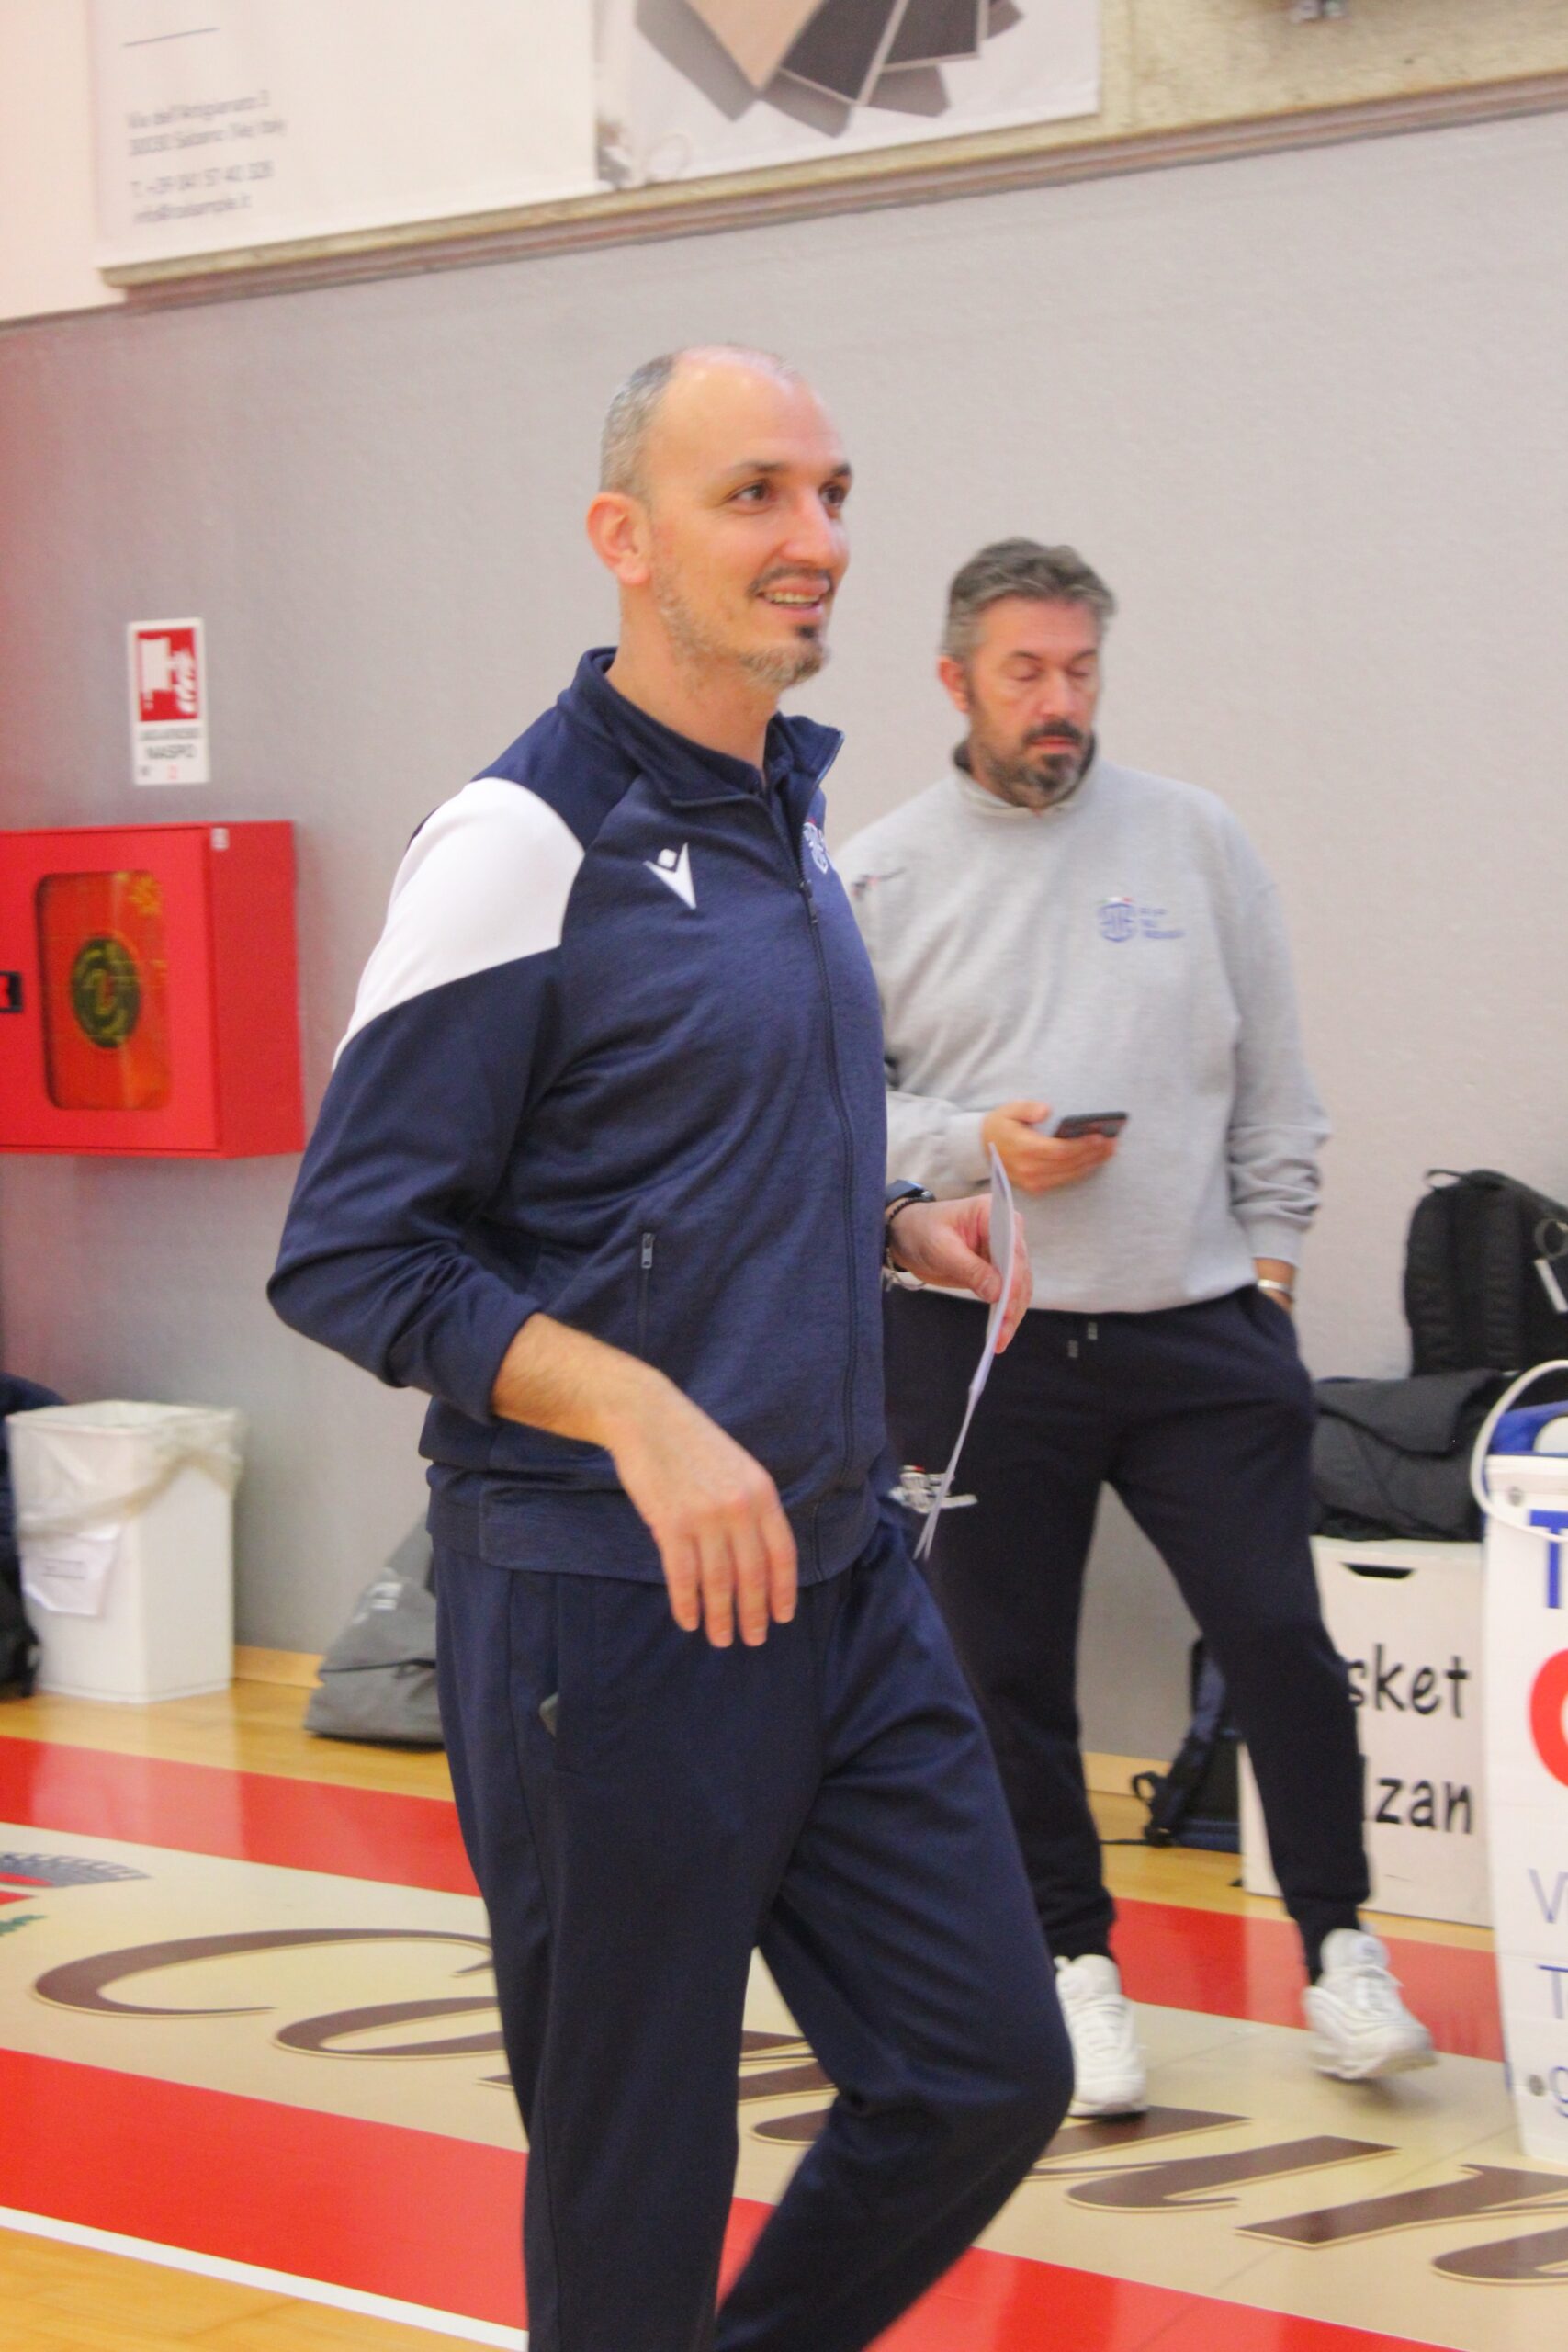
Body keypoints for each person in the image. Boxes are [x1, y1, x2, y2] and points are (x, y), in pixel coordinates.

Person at [269, 359, 1070, 2352]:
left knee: (982, 2069)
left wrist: (884, 1225)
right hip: (605, 1612)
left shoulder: (785, 814)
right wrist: (633, 1406)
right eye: (754, 494)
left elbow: (669, 1146)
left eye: (831, 492)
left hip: (834, 1568)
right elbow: (353, 1252)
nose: (816, 538)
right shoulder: (520, 838)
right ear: (623, 537)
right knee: (632, 2198)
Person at [838, 537, 1435, 2119]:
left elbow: (1276, 1080)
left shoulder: (1196, 839)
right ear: (955, 682)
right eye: (1026, 673)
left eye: (1081, 671)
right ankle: (1074, 1973)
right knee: (1005, 1677)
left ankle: (1344, 1955)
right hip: (981, 1343)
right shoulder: (874, 875)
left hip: (1200, 1331)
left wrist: (1274, 1272)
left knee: (1280, 1640)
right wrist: (974, 1146)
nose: (1060, 702)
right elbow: (833, 1111)